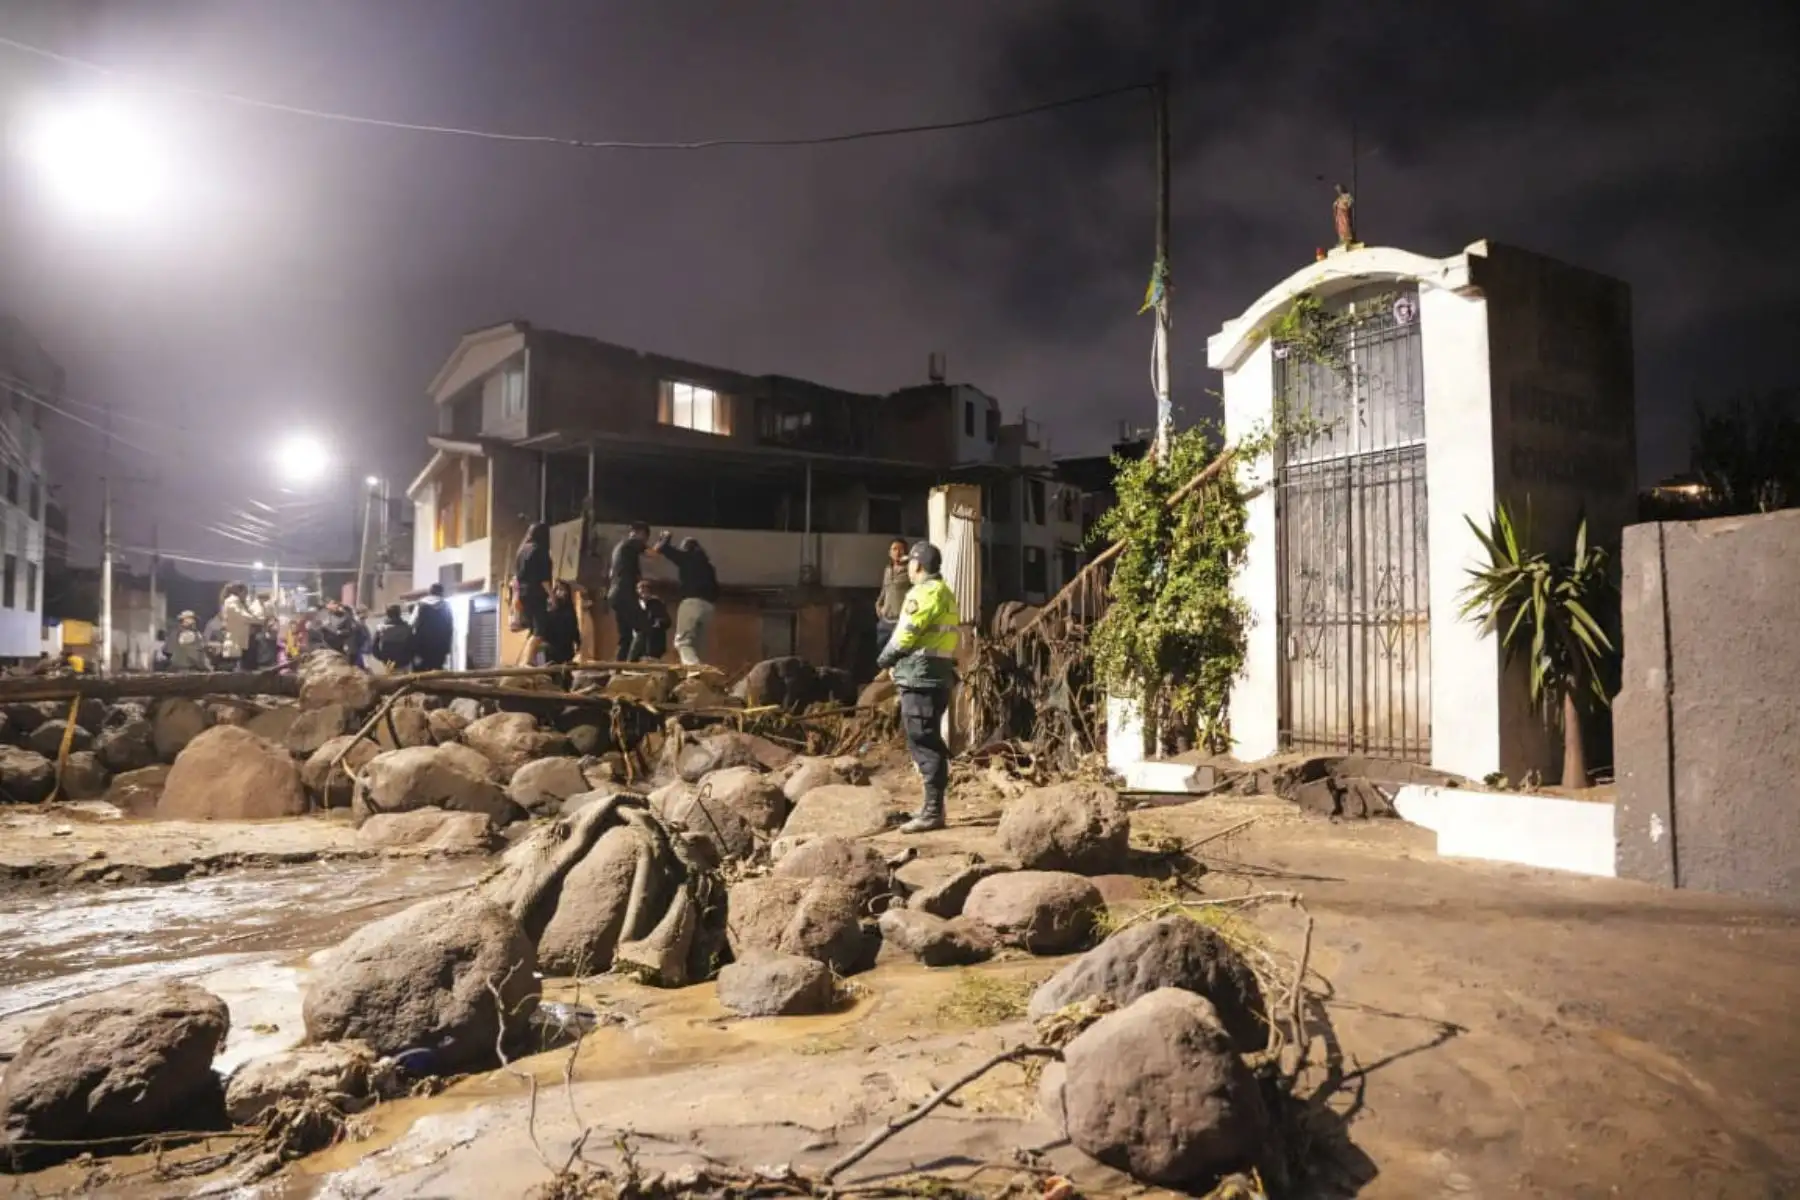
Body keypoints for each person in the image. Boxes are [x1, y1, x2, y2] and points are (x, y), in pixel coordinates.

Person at [875, 541, 959, 834]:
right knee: (928, 738)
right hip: (938, 677)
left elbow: (905, 637)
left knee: (923, 741)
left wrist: (884, 658)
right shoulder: (946, 593)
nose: (907, 566)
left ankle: (933, 812)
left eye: (910, 562)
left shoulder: (922, 594)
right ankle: (930, 807)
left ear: (919, 565)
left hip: (919, 678)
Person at [653, 532, 718, 665]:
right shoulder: (709, 567)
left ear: (686, 548)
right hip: (708, 607)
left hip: (691, 602)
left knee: (682, 641)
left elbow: (663, 548)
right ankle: (700, 674)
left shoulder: (687, 557)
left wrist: (665, 536)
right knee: (698, 646)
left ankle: (693, 669)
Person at [608, 522, 651, 660]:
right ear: (641, 534)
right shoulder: (633, 543)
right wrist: (664, 541)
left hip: (614, 594)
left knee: (625, 636)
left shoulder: (620, 549)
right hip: (624, 592)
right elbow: (653, 554)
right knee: (644, 627)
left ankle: (618, 669)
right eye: (645, 538)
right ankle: (631, 664)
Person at [513, 522, 553, 666]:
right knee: (540, 631)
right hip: (536, 594)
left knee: (533, 630)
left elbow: (517, 577)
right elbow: (544, 579)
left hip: (524, 594)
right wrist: (552, 597)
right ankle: (527, 661)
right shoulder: (539, 551)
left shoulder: (521, 551)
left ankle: (526, 661)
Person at [874, 537, 910, 654]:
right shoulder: (888, 569)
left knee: (898, 653)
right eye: (894, 549)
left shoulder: (910, 570)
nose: (897, 552)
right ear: (890, 553)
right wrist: (878, 604)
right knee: (883, 650)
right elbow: (885, 589)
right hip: (885, 619)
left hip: (900, 620)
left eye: (901, 549)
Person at [219, 582, 264, 671]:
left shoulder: (239, 603)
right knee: (239, 671)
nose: (246, 596)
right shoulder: (231, 602)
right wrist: (259, 620)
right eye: (245, 593)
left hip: (243, 641)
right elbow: (243, 617)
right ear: (239, 592)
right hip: (236, 642)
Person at [410, 582, 454, 671]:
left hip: (422, 646)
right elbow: (450, 627)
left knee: (420, 673)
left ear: (430, 592)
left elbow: (411, 624)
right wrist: (448, 647)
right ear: (442, 592)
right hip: (440, 645)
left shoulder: (420, 604)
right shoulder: (446, 605)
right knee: (437, 671)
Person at [539, 580, 583, 665]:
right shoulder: (548, 611)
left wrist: (578, 642)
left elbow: (574, 629)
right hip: (549, 651)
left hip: (566, 652)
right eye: (557, 590)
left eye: (562, 590)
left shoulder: (570, 612)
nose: (560, 593)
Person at [629, 578, 671, 661]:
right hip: (637, 640)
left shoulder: (656, 604)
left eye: (646, 587)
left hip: (653, 641)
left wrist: (658, 623)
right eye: (641, 587)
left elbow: (667, 621)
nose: (643, 590)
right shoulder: (634, 605)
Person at [373, 604, 414, 670]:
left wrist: (381, 657)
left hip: (388, 662)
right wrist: (408, 658)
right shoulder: (407, 628)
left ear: (387, 614)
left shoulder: (380, 628)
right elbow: (413, 645)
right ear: (399, 613)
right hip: (404, 662)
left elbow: (374, 646)